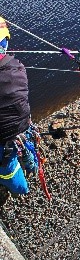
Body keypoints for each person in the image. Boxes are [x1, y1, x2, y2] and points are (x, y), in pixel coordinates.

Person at [0, 16, 38, 198]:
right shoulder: (17, 68)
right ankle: (29, 171)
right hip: (14, 137)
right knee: (19, 184)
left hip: (9, 140)